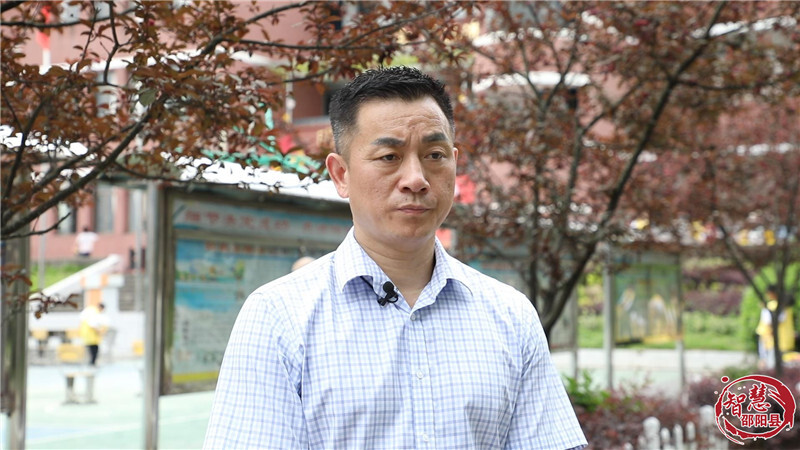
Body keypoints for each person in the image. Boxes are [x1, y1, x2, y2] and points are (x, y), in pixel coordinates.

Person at [204, 67, 587, 449]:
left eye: (434, 155)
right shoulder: (278, 316)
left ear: (454, 163)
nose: (416, 178)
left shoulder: (511, 315)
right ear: (341, 174)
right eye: (389, 156)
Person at [756, 284, 795, 369]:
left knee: (769, 363)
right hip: (783, 340)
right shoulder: (786, 306)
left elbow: (770, 322)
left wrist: (771, 332)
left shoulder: (773, 305)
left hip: (770, 338)